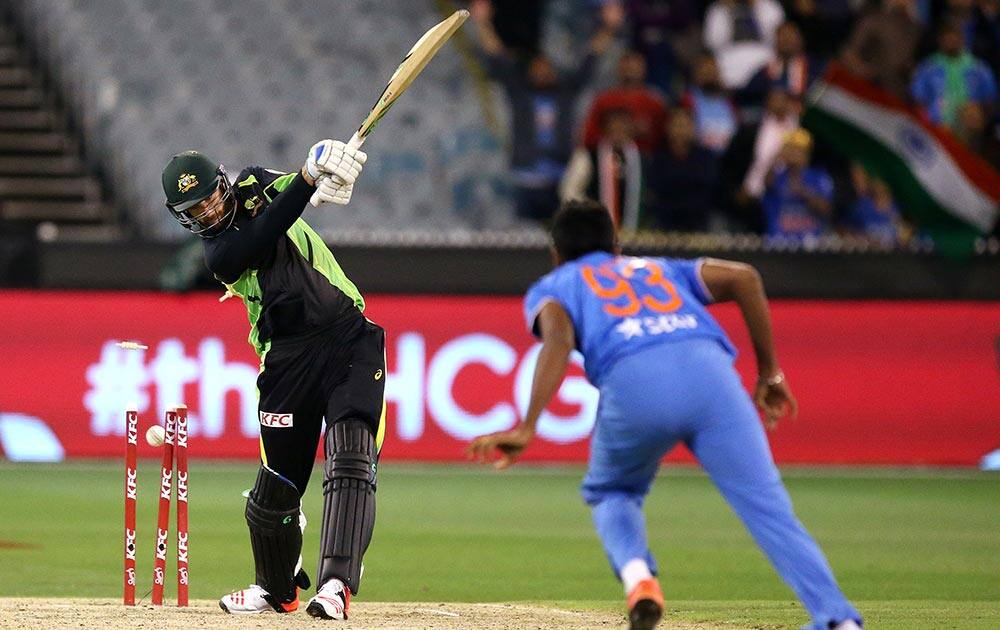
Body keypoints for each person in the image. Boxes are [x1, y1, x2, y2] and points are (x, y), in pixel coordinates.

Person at [467, 200, 863, 630]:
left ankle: (639, 579)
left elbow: (558, 342)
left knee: (613, 492)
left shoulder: (555, 284)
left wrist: (528, 426)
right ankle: (837, 619)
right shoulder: (656, 268)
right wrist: (769, 372)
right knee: (769, 507)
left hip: (633, 380)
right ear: (616, 245)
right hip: (711, 374)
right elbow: (744, 277)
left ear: (556, 253)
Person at [160, 140, 382, 620]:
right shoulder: (219, 255)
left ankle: (336, 585)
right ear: (184, 217)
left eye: (212, 198)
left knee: (349, 456)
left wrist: (328, 171)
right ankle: (276, 590)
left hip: (349, 337)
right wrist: (307, 178)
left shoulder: (254, 183)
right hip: (285, 358)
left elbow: (288, 189)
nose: (210, 211)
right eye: (195, 210)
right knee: (274, 492)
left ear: (223, 182)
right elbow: (266, 230)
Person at [470, 0, 622, 221]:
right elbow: (497, 56)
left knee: (564, 233)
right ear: (530, 71)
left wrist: (609, 28)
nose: (542, 72)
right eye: (537, 68)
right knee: (523, 241)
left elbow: (590, 59)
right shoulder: (520, 92)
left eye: (546, 67)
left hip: (561, 178)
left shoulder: (565, 92)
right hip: (526, 178)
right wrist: (483, 24)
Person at [561, 109, 644, 229]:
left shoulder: (642, 158)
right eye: (614, 125)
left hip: (638, 232)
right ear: (605, 128)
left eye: (623, 125)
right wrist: (588, 213)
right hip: (595, 230)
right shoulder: (587, 156)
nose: (619, 129)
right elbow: (568, 191)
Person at [645, 107, 720, 231]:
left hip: (698, 220)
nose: (681, 130)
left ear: (693, 128)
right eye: (677, 125)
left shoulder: (706, 156)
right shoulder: (658, 156)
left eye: (685, 125)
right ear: (667, 128)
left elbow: (708, 186)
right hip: (664, 221)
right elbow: (656, 188)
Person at [911, 22, 998, 129]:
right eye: (947, 38)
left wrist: (980, 116)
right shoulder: (928, 68)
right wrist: (926, 123)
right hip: (937, 128)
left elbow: (991, 100)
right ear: (940, 41)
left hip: (969, 129)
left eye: (955, 37)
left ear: (963, 39)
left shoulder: (978, 68)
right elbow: (917, 99)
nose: (951, 41)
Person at [581, 50, 668, 154]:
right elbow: (588, 137)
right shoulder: (604, 99)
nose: (631, 70)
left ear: (644, 69)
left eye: (635, 67)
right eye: (627, 66)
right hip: (607, 159)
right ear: (619, 68)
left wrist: (644, 133)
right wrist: (614, 135)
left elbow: (665, 138)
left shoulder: (655, 102)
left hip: (646, 159)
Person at [761, 128, 834, 242]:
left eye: (798, 150)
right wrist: (777, 157)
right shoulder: (777, 175)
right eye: (790, 149)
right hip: (778, 243)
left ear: (806, 154)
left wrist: (803, 192)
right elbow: (765, 184)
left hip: (810, 243)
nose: (793, 153)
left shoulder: (818, 176)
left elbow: (827, 208)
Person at [703, 0, 786, 90]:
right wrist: (728, 11)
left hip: (764, 62)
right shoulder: (718, 9)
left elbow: (777, 38)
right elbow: (713, 43)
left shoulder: (769, 5)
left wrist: (757, 7)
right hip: (729, 67)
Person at [680, 54, 739, 153]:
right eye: (705, 71)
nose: (709, 74)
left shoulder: (729, 103)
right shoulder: (688, 101)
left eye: (712, 70)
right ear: (696, 75)